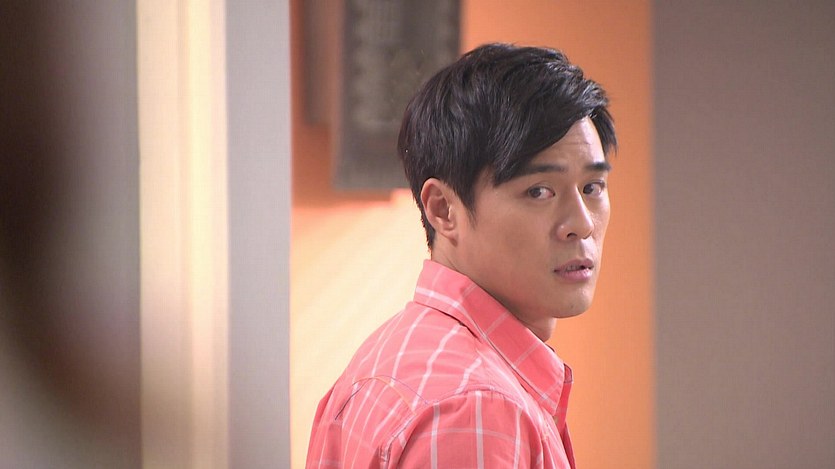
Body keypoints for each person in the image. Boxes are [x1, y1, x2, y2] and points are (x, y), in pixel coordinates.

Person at [306, 43, 616, 468]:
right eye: (539, 191)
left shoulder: (390, 353)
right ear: (443, 209)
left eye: (592, 188)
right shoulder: (477, 407)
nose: (581, 223)